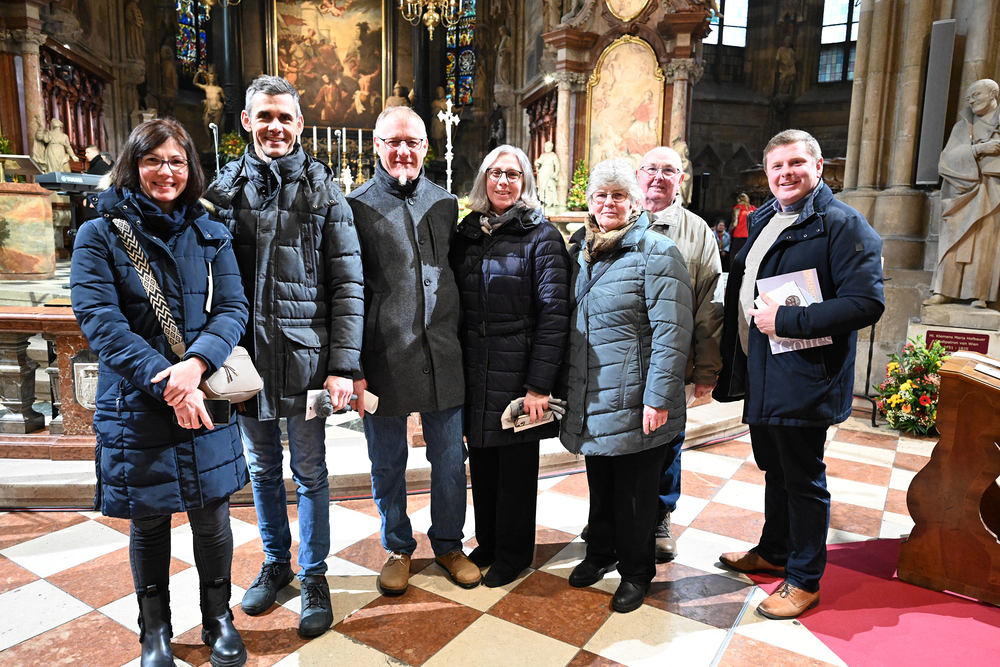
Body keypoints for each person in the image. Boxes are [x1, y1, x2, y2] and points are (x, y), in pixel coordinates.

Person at [71, 118, 250, 667]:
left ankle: (218, 618)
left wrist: (194, 366)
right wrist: (169, 380)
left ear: (191, 168)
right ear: (134, 165)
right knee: (148, 521)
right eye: (153, 160)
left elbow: (233, 309)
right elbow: (100, 322)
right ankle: (155, 631)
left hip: (204, 394)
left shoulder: (211, 231)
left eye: (176, 161)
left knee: (212, 517)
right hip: (136, 403)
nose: (165, 172)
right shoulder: (99, 234)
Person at [203, 75, 364, 637]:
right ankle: (276, 562)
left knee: (310, 470)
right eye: (264, 116)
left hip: (305, 358)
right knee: (262, 469)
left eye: (285, 118)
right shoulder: (224, 190)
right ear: (246, 121)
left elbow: (348, 284)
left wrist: (343, 365)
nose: (275, 127)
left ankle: (314, 573)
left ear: (299, 124)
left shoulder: (323, 190)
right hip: (245, 358)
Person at [713, 129, 884, 620]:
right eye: (777, 167)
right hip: (763, 369)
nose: (785, 174)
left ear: (819, 166)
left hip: (805, 374)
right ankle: (774, 550)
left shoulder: (842, 224)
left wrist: (788, 320)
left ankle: (805, 578)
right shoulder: (767, 218)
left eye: (796, 164)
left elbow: (866, 303)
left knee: (804, 479)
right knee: (776, 470)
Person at [347, 106, 481, 596]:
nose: (403, 151)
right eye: (394, 142)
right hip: (382, 355)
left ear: (426, 147)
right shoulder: (355, 205)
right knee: (388, 461)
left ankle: (448, 544)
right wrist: (352, 365)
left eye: (413, 142)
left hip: (442, 352)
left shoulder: (446, 203)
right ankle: (398, 547)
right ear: (377, 146)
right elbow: (348, 288)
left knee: (449, 459)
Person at [560, 158, 693, 613]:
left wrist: (658, 397)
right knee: (601, 480)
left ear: (635, 203)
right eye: (601, 195)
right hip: (594, 393)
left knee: (636, 491)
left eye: (619, 195)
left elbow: (672, 331)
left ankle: (636, 572)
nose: (609, 203)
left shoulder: (657, 251)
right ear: (590, 202)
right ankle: (601, 552)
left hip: (637, 397)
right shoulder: (583, 251)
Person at [450, 145, 570, 587]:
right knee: (482, 461)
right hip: (474, 362)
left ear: (525, 183)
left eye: (513, 175)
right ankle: (489, 541)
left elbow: (554, 314)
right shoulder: (468, 232)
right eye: (496, 173)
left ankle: (514, 552)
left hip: (518, 365)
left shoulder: (542, 236)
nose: (503, 182)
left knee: (516, 467)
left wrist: (539, 386)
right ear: (484, 179)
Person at [635, 146, 723, 562]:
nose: (658, 176)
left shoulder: (698, 231)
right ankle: (611, 515)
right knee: (616, 440)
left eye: (668, 170)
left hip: (674, 360)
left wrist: (706, 369)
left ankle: (659, 516)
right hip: (620, 360)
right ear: (638, 174)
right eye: (651, 168)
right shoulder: (619, 217)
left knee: (667, 440)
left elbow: (710, 304)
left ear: (680, 180)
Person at [925, 79, 1000, 309]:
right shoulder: (963, 126)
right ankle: (944, 291)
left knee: (985, 241)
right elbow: (946, 160)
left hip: (993, 190)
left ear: (993, 94)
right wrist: (978, 149)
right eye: (969, 97)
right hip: (961, 193)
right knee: (954, 239)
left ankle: (980, 294)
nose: (971, 100)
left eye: (976, 94)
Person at [730, 192, 755, 258]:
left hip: (738, 234)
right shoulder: (753, 209)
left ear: (738, 199)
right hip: (750, 234)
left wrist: (729, 230)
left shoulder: (737, 209)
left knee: (735, 254)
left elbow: (734, 223)